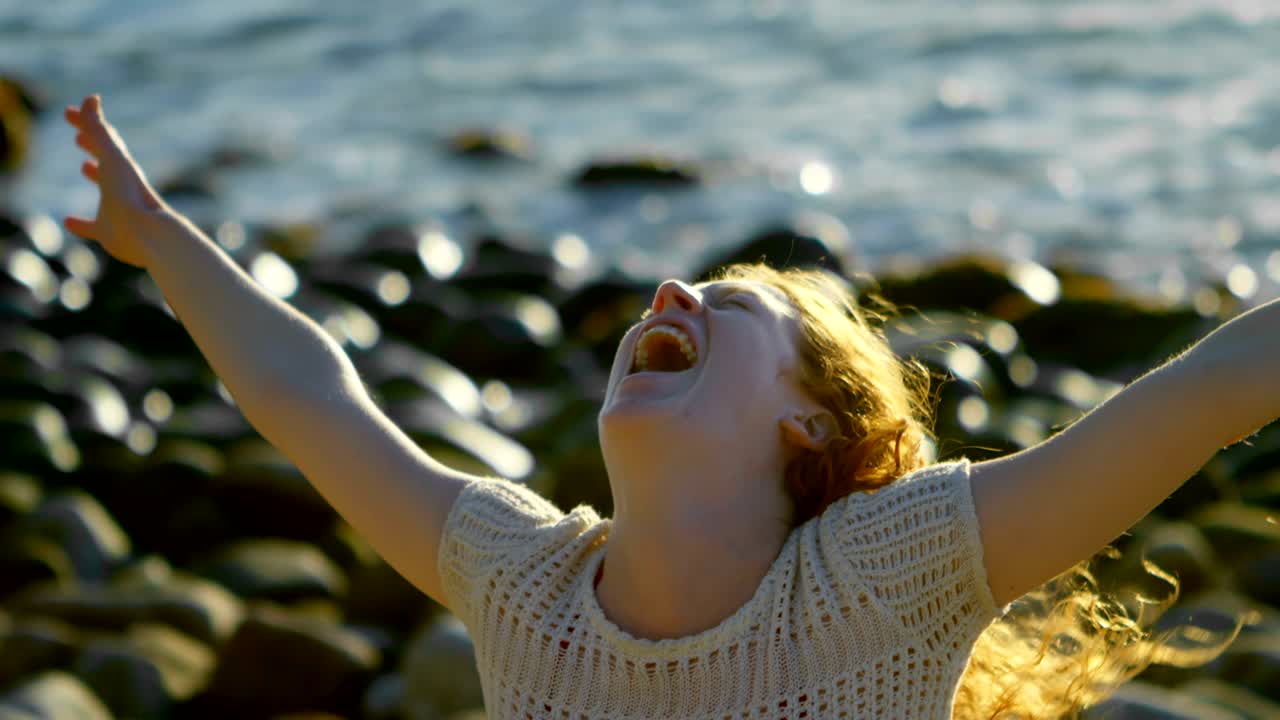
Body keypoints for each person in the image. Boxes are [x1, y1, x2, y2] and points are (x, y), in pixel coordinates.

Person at [63, 93, 1269, 719]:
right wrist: (158, 237)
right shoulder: (523, 585)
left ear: (811, 424)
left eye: (729, 307)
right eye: (683, 291)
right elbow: (308, 399)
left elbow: (1204, 393)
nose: (669, 292)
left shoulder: (884, 574)